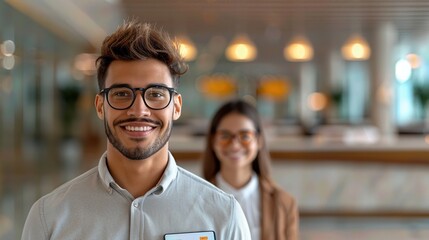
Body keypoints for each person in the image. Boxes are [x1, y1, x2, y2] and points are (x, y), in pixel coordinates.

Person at [21, 21, 251, 240]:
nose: (139, 109)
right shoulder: (49, 217)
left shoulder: (223, 215)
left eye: (156, 94)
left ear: (176, 107)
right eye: (121, 93)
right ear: (101, 106)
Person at [202, 99, 299, 240]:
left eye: (245, 136)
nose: (235, 145)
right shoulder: (196, 200)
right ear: (213, 141)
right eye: (225, 136)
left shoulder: (284, 203)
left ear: (259, 140)